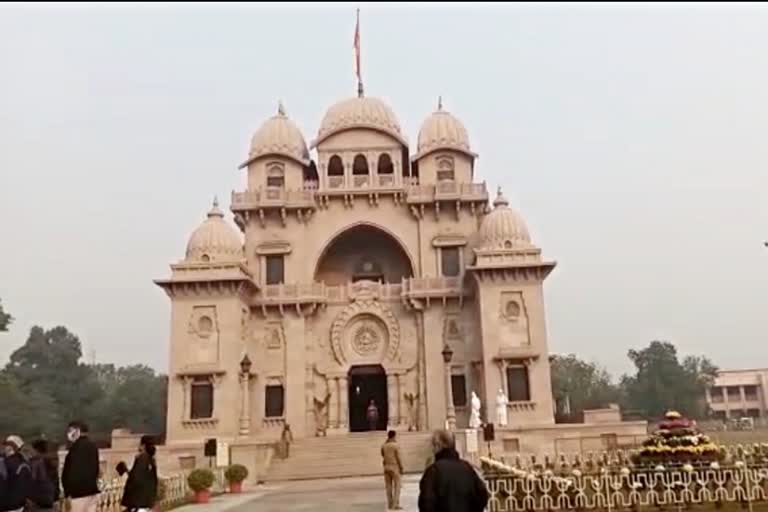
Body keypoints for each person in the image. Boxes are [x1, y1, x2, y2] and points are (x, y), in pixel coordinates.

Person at [418, 429, 488, 512]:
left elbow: (426, 502)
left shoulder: (433, 471)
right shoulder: (467, 468)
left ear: (439, 445)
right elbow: (482, 495)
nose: (432, 449)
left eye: (433, 445)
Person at [62, 421, 100, 512]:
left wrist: (67, 493)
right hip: (92, 491)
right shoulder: (93, 446)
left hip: (78, 495)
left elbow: (71, 472)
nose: (69, 434)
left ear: (78, 431)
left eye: (70, 430)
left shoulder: (75, 449)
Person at [121, 435, 158, 512]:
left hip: (139, 502)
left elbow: (136, 479)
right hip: (147, 501)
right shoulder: (151, 460)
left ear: (143, 446)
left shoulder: (142, 458)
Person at [0, 435, 33, 512]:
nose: (5, 447)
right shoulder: (26, 463)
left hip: (5, 506)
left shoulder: (4, 463)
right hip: (20, 506)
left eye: (8, 445)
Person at [28, 440, 59, 512]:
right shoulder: (52, 460)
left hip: (39, 499)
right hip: (51, 497)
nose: (30, 452)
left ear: (36, 450)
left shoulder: (35, 462)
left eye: (32, 449)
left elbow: (32, 480)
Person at [380, 430, 404, 511]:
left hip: (386, 467)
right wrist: (401, 467)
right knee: (397, 486)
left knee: (388, 486)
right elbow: (398, 457)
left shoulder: (384, 445)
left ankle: (390, 504)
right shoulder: (395, 445)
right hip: (394, 467)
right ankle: (395, 504)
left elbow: (382, 454)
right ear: (394, 436)